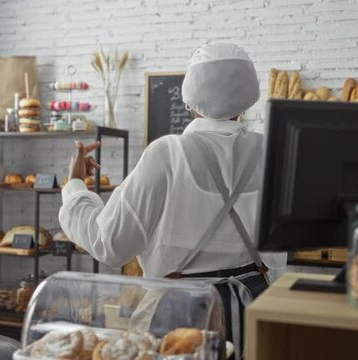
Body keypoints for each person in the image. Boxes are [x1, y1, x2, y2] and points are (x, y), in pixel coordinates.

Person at [59, 43, 267, 359]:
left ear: (189, 96)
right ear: (249, 94)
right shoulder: (271, 151)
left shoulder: (168, 153)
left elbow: (110, 244)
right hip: (254, 310)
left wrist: (75, 186)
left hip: (179, 313)